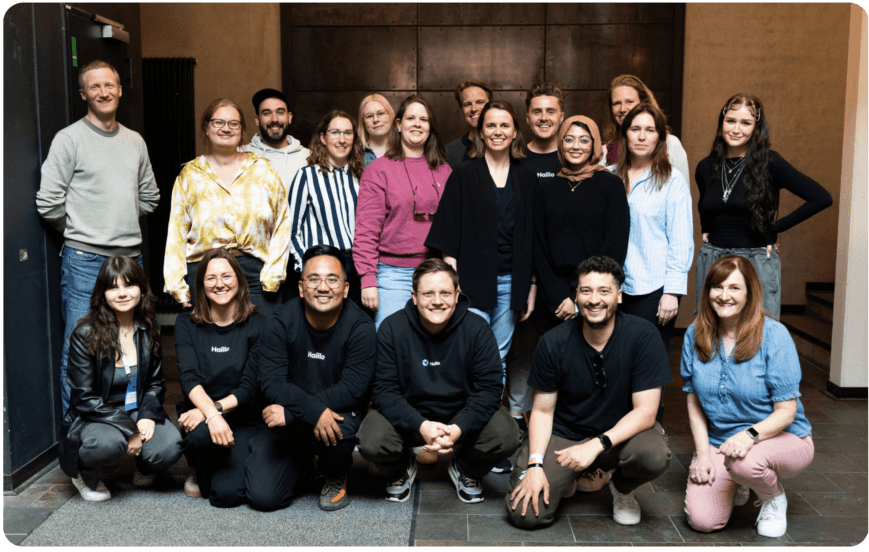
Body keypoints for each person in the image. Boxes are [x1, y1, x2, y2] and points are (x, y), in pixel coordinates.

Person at [506, 256, 672, 528]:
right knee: (525, 514)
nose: (594, 299)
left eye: (604, 291)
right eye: (586, 291)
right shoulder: (554, 342)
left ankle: (622, 488)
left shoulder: (643, 336)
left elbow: (646, 413)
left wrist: (595, 446)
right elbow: (542, 410)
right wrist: (535, 466)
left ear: (619, 296)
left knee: (653, 454)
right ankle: (570, 477)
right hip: (565, 436)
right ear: (577, 296)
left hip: (619, 437)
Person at [36, 60, 160, 414]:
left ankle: (132, 433)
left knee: (132, 347)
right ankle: (79, 447)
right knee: (79, 349)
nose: (103, 92)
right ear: (83, 94)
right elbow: (48, 204)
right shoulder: (70, 139)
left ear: (120, 90)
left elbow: (150, 196)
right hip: (84, 262)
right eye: (94, 87)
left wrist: (116, 215)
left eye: (110, 85)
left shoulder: (135, 141)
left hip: (130, 262)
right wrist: (84, 228)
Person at [357, 259, 521, 503]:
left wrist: (459, 429)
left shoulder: (477, 328)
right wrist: (421, 425)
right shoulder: (392, 328)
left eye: (445, 293)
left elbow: (489, 390)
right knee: (371, 441)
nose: (437, 301)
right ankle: (401, 466)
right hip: (409, 417)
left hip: (459, 415)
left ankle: (465, 467)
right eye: (428, 293)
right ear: (414, 296)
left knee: (507, 435)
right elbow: (383, 391)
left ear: (457, 295)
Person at [426, 101, 536, 459]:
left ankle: (487, 437)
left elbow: (533, 235)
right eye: (491, 125)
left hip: (512, 281)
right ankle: (460, 432)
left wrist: (531, 285)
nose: (498, 131)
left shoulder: (526, 174)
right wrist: (454, 284)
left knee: (499, 359)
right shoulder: (465, 173)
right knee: (469, 357)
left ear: (515, 131)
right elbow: (448, 233)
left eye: (505, 125)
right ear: (481, 131)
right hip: (471, 282)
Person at [682, 255, 814, 538]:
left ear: (749, 293)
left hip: (782, 438)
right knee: (703, 521)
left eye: (734, 288)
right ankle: (740, 478)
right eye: (717, 287)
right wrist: (703, 454)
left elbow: (786, 412)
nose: (724, 295)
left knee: (745, 462)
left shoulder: (775, 335)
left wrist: (749, 436)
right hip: (722, 444)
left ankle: (772, 496)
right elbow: (693, 401)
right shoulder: (694, 334)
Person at [248, 245, 376, 512]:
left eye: (332, 279)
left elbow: (353, 389)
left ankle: (334, 472)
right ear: (301, 287)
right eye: (314, 279)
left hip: (330, 413)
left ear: (346, 287)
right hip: (289, 417)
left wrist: (298, 413)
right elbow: (272, 383)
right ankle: (302, 463)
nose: (323, 287)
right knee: (264, 497)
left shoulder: (361, 327)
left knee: (339, 427)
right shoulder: (279, 322)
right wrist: (310, 411)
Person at [694, 94, 832, 320]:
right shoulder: (705, 167)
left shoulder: (770, 162)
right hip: (713, 258)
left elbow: (821, 197)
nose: (736, 129)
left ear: (756, 127)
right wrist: (705, 226)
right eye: (730, 121)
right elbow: (705, 201)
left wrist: (775, 228)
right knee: (709, 332)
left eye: (745, 123)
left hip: (756, 259)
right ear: (722, 122)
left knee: (761, 333)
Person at [58, 256, 181, 501]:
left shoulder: (147, 327)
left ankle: (146, 466)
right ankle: (85, 473)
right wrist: (131, 430)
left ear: (141, 290)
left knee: (169, 447)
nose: (122, 293)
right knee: (106, 445)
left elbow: (155, 384)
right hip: (96, 413)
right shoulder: (85, 333)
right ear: (102, 293)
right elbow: (84, 398)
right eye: (113, 287)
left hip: (135, 407)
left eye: (128, 285)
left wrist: (146, 416)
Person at [164, 98, 291, 316]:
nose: (226, 128)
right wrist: (177, 284)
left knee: (265, 343)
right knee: (210, 344)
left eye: (234, 123)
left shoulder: (263, 170)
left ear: (242, 130)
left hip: (256, 275)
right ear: (206, 127)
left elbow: (282, 224)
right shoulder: (190, 175)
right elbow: (176, 232)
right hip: (204, 273)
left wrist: (273, 274)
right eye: (218, 122)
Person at [174, 249, 266, 507]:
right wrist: (210, 415)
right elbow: (189, 378)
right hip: (201, 418)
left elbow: (250, 388)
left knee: (226, 496)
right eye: (211, 278)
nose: (220, 284)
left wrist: (211, 411)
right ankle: (199, 466)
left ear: (239, 280)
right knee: (199, 438)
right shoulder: (186, 324)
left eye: (226, 276)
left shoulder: (260, 324)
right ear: (201, 285)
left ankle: (231, 464)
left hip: (243, 416)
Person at [354, 95, 452, 330]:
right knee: (391, 344)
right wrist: (368, 279)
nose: (417, 124)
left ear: (430, 127)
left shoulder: (445, 170)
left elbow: (455, 229)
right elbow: (366, 230)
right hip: (391, 276)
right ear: (398, 124)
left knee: (433, 347)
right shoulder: (379, 170)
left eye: (424, 119)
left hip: (435, 272)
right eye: (410, 118)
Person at [609, 103, 694, 349]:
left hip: (654, 289)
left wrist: (673, 293)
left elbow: (681, 241)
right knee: (615, 360)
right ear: (625, 133)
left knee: (648, 362)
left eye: (650, 130)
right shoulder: (610, 176)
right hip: (614, 287)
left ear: (659, 137)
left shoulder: (672, 180)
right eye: (635, 129)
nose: (642, 136)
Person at [534, 115, 630, 329]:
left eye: (584, 140)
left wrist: (578, 297)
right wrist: (559, 297)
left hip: (597, 291)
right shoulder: (546, 188)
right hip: (555, 296)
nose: (575, 146)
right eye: (569, 139)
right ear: (560, 144)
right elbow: (538, 247)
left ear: (595, 145)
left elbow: (615, 246)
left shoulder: (611, 185)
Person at [288, 110, 366, 308]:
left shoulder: (362, 177)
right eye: (335, 132)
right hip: (322, 264)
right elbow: (290, 231)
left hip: (357, 266)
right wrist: (306, 266)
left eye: (348, 133)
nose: (342, 139)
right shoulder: (306, 176)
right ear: (323, 137)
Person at [603, 74, 689, 182]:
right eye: (616, 103)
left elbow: (683, 192)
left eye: (629, 101)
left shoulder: (671, 144)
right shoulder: (605, 152)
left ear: (644, 103)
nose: (623, 109)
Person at [241, 88, 310, 189]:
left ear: (289, 117)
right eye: (267, 113)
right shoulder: (241, 154)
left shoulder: (308, 158)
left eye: (280, 112)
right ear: (257, 120)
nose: (274, 119)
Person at [522, 82, 566, 182]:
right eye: (537, 112)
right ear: (528, 118)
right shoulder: (515, 158)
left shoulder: (574, 158)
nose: (544, 118)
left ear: (561, 117)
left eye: (550, 112)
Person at [444, 79, 494, 168]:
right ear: (462, 109)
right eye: (467, 104)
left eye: (480, 102)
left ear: (491, 105)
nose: (474, 109)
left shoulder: (504, 146)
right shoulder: (449, 152)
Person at [358, 94, 395, 167]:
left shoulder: (404, 150)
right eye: (369, 116)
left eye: (381, 113)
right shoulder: (356, 155)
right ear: (363, 121)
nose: (375, 120)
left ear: (390, 115)